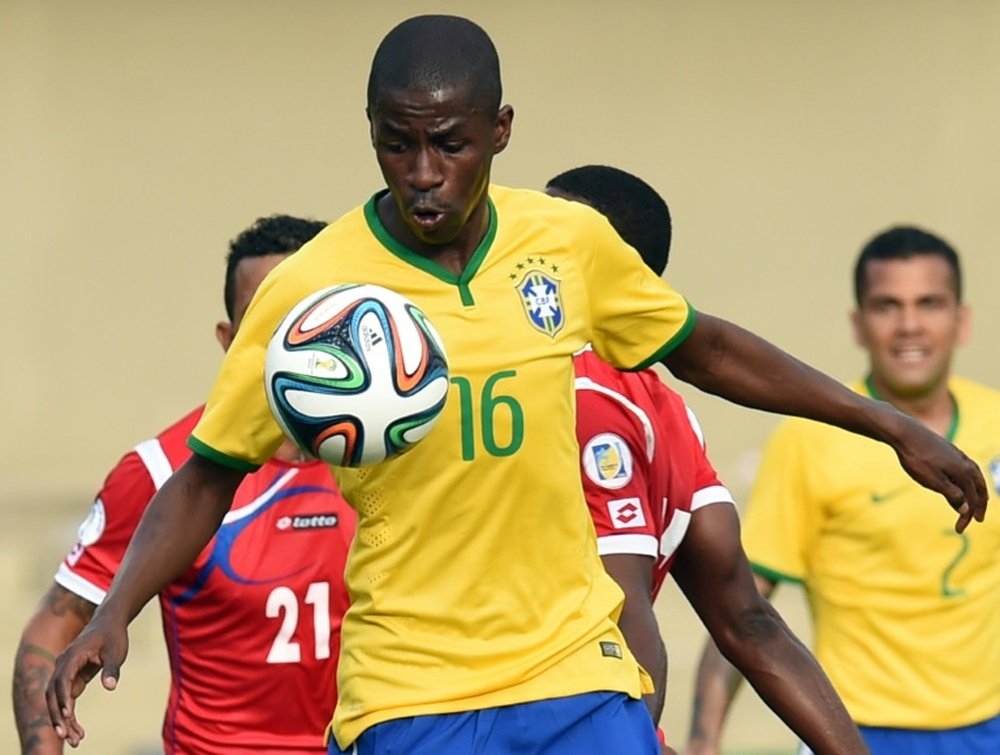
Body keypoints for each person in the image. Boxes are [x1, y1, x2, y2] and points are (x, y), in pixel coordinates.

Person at [46, 16, 985, 755]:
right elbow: (207, 473)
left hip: (579, 675)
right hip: (415, 693)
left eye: (448, 144)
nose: (423, 176)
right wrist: (116, 610)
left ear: (500, 129)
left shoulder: (567, 244)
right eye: (395, 145)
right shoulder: (313, 292)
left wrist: (886, 425)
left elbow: (704, 346)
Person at [546, 165, 866, 755]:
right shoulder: (669, 409)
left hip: (546, 726)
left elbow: (623, 608)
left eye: (547, 236)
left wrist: (633, 744)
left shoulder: (581, 390)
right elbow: (749, 623)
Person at [14, 215, 356, 754]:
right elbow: (51, 630)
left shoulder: (396, 460)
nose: (295, 345)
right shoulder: (163, 472)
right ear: (229, 342)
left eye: (310, 322)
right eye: (266, 325)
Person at [686, 226, 1000, 755]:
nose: (909, 325)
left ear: (961, 319)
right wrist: (704, 737)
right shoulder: (809, 439)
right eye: (886, 306)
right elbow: (743, 606)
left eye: (929, 303)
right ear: (858, 323)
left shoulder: (996, 421)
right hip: (854, 732)